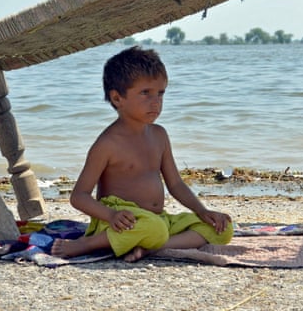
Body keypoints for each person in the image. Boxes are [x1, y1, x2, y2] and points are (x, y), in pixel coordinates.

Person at [51, 46, 233, 261]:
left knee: (222, 227)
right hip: (121, 223)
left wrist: (202, 211)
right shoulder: (108, 143)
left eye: (160, 93)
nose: (155, 102)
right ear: (117, 98)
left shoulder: (159, 135)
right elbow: (79, 196)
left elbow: (175, 184)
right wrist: (111, 215)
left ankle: (153, 247)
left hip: (157, 220)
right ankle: (86, 244)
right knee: (152, 228)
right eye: (145, 93)